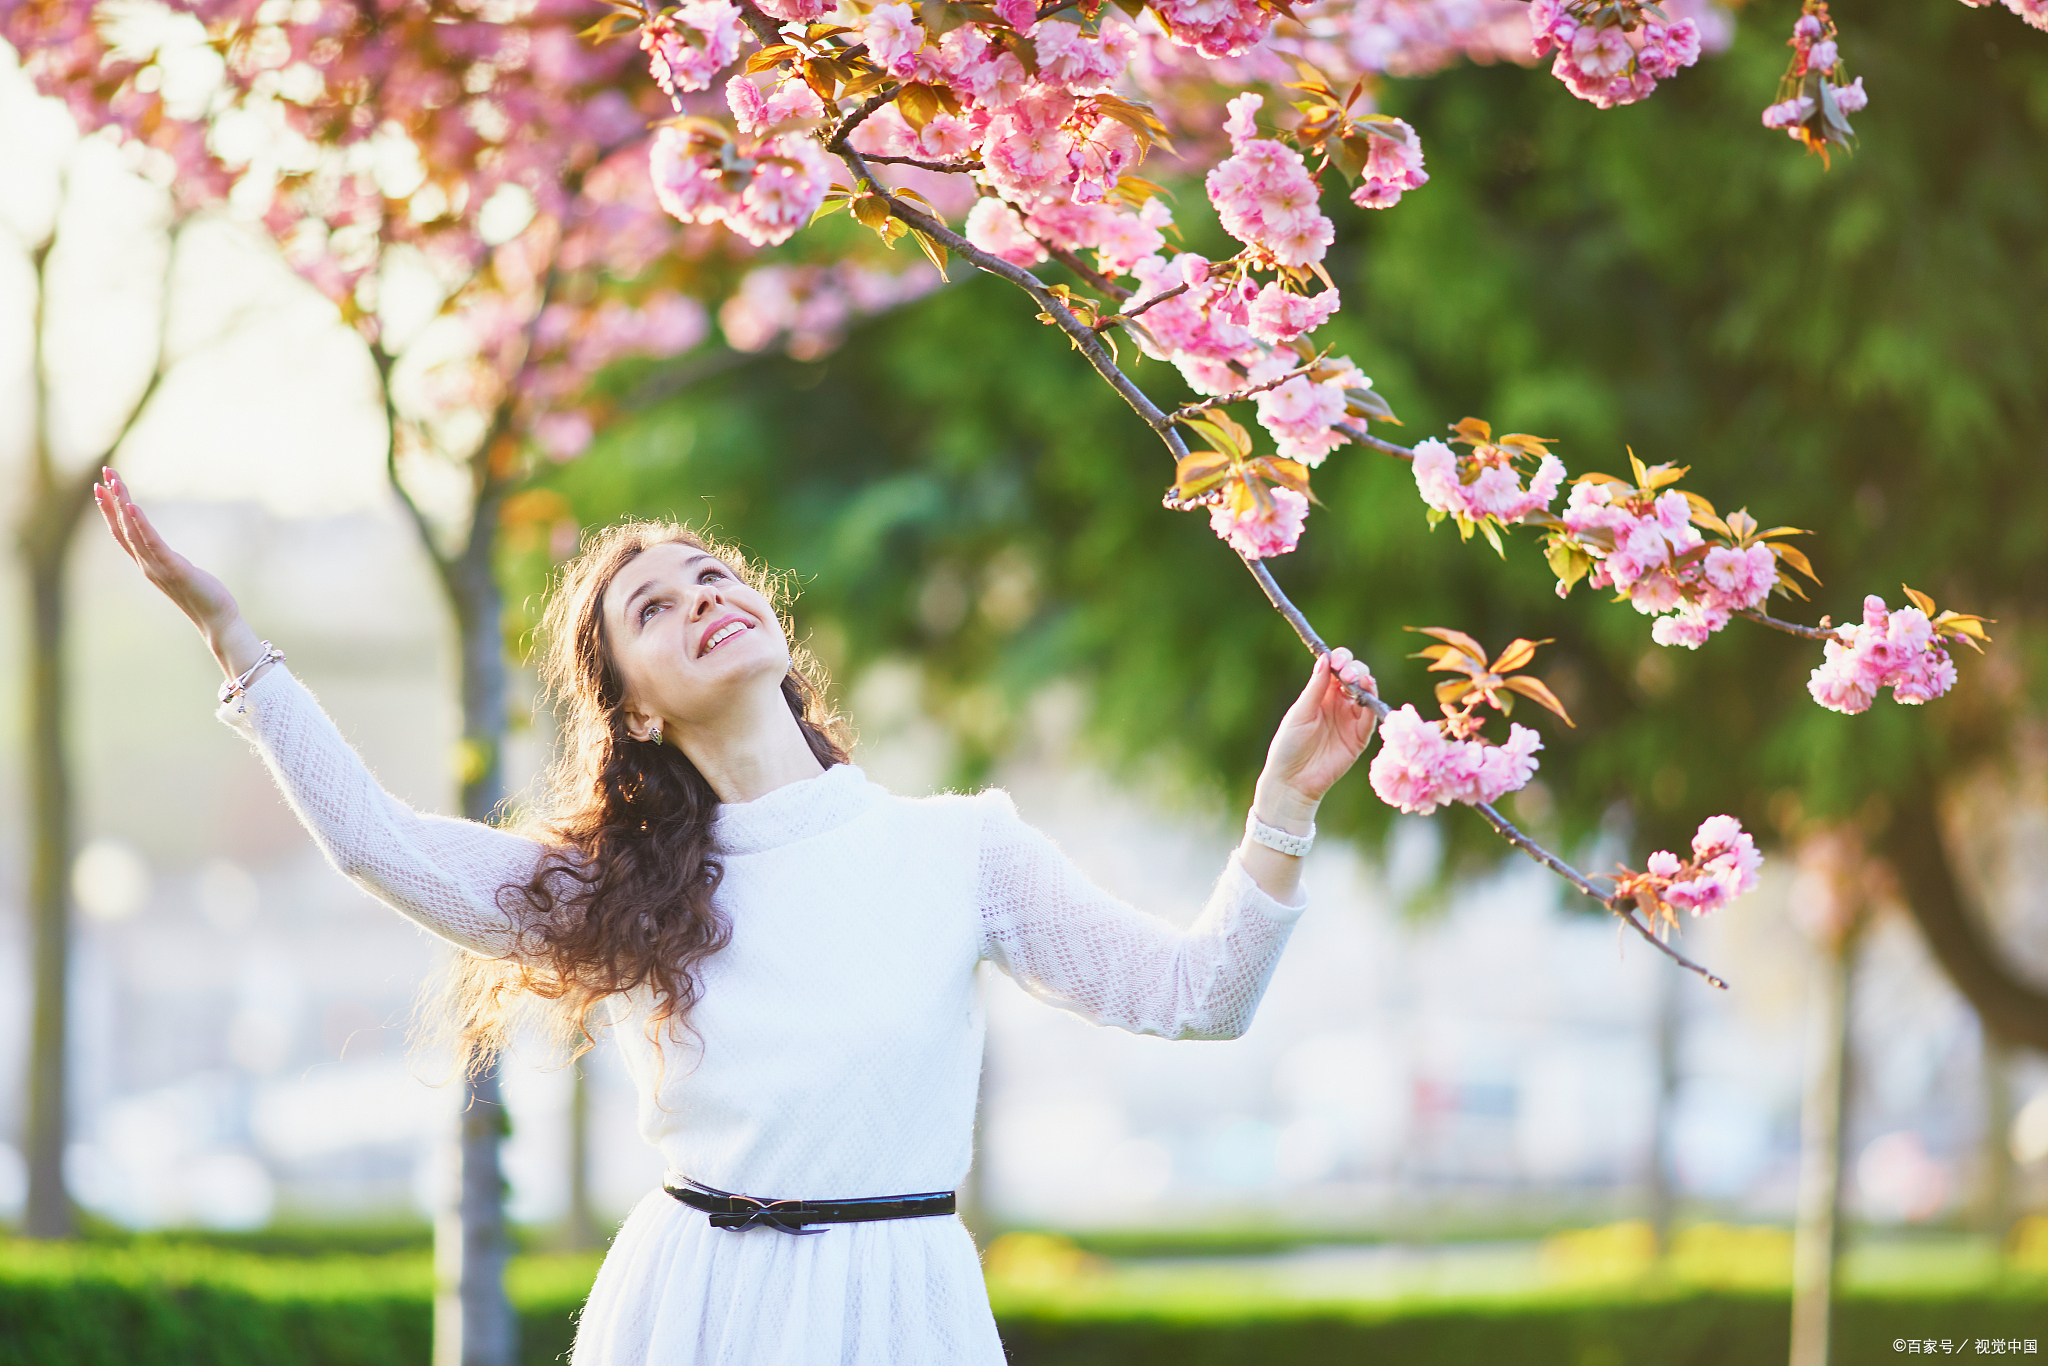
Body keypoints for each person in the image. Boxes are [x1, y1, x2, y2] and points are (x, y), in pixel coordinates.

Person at [93, 467, 1380, 1365]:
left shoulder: (960, 847)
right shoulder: (626, 891)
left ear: (765, 612)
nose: (701, 595)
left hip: (901, 1308)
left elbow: (1201, 995)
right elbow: (378, 845)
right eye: (651, 607)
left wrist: (1281, 804)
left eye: (710, 575)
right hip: (690, 1305)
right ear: (636, 710)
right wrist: (232, 636)